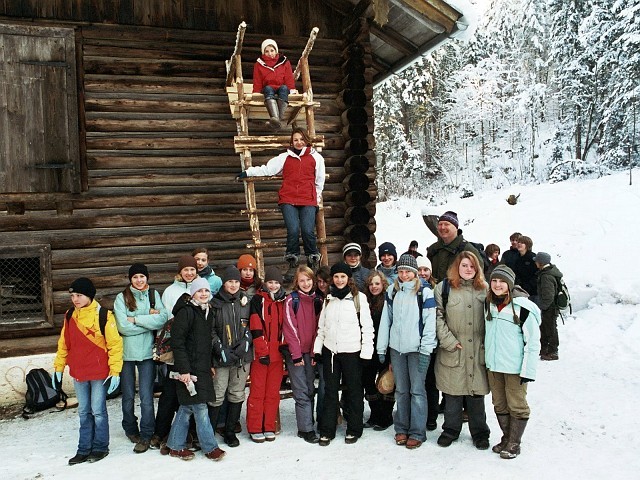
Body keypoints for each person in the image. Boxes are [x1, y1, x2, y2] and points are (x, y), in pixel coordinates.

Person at [53, 277, 123, 465]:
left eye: (79, 295)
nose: (75, 299)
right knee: (84, 411)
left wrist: (115, 371)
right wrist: (58, 368)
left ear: (89, 296)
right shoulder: (69, 316)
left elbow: (115, 344)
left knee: (98, 410)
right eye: (73, 295)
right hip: (79, 372)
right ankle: (84, 448)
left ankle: (100, 447)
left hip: (99, 373)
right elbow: (63, 344)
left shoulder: (104, 315)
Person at [237, 129, 325, 276]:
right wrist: (248, 172)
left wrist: (316, 197)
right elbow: (268, 169)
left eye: (301, 139)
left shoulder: (316, 158)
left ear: (307, 140)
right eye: (295, 140)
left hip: (308, 199)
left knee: (308, 230)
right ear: (292, 142)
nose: (298, 142)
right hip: (288, 199)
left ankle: (312, 260)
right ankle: (293, 260)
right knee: (293, 229)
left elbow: (319, 181)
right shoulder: (284, 157)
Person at [377, 254, 437, 449]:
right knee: (401, 390)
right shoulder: (393, 292)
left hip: (418, 350)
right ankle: (401, 427)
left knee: (417, 391)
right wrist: (382, 347)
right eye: (401, 271)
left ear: (415, 273)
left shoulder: (424, 293)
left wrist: (426, 350)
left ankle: (417, 431)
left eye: (408, 272)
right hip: (397, 349)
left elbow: (430, 324)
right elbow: (387, 321)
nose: (404, 275)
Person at [434, 251, 491, 450]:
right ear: (457, 267)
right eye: (464, 265)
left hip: (477, 349)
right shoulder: (444, 288)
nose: (468, 270)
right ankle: (450, 429)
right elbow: (437, 316)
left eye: (472, 266)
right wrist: (449, 341)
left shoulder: (485, 289)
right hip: (453, 349)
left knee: (476, 396)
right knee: (453, 394)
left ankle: (480, 432)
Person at [313, 262, 374, 446]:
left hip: (352, 352)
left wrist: (366, 352)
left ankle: (354, 429)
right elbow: (322, 327)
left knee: (354, 391)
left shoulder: (358, 298)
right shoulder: (328, 298)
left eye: (343, 277)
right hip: (331, 351)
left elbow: (367, 327)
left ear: (349, 279)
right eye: (337, 276)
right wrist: (318, 349)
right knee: (330, 391)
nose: (340, 280)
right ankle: (327, 430)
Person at [165, 278, 226, 462]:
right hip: (188, 369)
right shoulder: (186, 312)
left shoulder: (207, 312)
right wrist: (184, 370)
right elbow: (178, 343)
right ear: (193, 293)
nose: (204, 294)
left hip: (201, 368)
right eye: (200, 291)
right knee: (200, 408)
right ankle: (210, 447)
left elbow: (204, 343)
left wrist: (209, 365)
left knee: (186, 408)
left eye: (206, 291)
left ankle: (175, 446)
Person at [485, 265, 541, 459]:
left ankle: (514, 443)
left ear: (509, 284)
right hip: (494, 365)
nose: (497, 285)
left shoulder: (523, 308)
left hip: (515, 368)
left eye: (502, 281)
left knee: (517, 404)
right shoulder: (489, 304)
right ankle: (506, 437)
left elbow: (533, 343)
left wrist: (528, 371)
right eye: (494, 281)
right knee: (499, 403)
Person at [113, 263, 168, 454]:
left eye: (142, 277)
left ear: (147, 278)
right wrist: (148, 321)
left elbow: (162, 319)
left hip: (146, 353)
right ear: (130, 279)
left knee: (146, 396)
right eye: (135, 277)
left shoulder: (153, 295)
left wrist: (136, 318)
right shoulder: (121, 298)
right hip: (126, 354)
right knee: (127, 395)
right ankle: (130, 428)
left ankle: (146, 434)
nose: (139, 280)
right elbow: (122, 327)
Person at [153, 255, 199, 451]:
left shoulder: (200, 288)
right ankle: (160, 431)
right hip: (175, 349)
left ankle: (189, 432)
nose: (189, 273)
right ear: (180, 271)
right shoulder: (170, 292)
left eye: (192, 270)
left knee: (191, 392)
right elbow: (165, 320)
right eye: (186, 270)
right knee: (170, 392)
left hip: (194, 349)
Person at [209, 266, 252, 448]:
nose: (233, 285)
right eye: (230, 281)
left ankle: (229, 431)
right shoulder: (215, 303)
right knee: (217, 394)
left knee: (236, 392)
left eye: (236, 281)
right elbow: (209, 331)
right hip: (221, 358)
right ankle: (209, 431)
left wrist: (245, 343)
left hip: (241, 357)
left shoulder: (245, 302)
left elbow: (251, 324)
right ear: (224, 283)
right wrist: (220, 349)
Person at [282, 266, 324, 443]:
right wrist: (296, 354)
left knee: (309, 388)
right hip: (296, 354)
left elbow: (319, 328)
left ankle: (309, 422)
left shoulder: (318, 300)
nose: (305, 283)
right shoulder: (291, 301)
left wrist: (315, 352)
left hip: (311, 352)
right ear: (296, 283)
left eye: (308, 280)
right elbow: (290, 328)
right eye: (302, 280)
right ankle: (305, 429)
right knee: (301, 390)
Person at [247, 266, 287, 443]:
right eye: (270, 282)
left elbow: (287, 327)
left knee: (273, 393)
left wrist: (285, 349)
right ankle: (255, 427)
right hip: (261, 356)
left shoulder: (284, 301)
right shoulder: (257, 300)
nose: (273, 286)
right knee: (257, 392)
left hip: (277, 355)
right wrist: (262, 350)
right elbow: (255, 326)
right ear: (265, 283)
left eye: (276, 282)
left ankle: (269, 425)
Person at [362, 271, 394, 431]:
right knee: (368, 381)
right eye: (371, 284)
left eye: (377, 283)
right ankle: (375, 413)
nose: (374, 287)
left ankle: (386, 416)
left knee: (386, 383)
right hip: (369, 348)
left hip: (385, 348)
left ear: (383, 284)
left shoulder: (388, 301)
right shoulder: (364, 301)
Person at [252, 38, 297, 130]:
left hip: (281, 87)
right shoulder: (259, 64)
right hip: (268, 89)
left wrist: (292, 89)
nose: (270, 53)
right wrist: (256, 92)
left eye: (272, 50)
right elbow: (257, 79)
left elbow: (289, 77)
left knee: (284, 88)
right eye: (267, 51)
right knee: (268, 89)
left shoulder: (284, 62)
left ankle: (276, 120)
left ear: (276, 50)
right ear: (263, 52)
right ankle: (278, 121)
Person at [426, 211, 484, 282]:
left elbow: (479, 276)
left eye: (446, 224)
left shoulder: (467, 250)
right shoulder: (433, 249)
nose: (442, 227)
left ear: (456, 228)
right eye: (440, 224)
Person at [534, 252, 562, 361]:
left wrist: (542, 307)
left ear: (540, 263)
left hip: (550, 307)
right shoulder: (550, 272)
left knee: (550, 329)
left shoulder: (546, 276)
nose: (535, 262)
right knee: (546, 328)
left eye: (536, 261)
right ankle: (545, 349)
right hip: (551, 306)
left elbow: (548, 295)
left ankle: (553, 352)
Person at [513, 235, 538, 303]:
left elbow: (537, 275)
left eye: (522, 243)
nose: (519, 244)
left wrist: (528, 286)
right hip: (520, 289)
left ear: (527, 245)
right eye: (518, 242)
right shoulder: (516, 257)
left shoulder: (533, 258)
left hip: (532, 291)